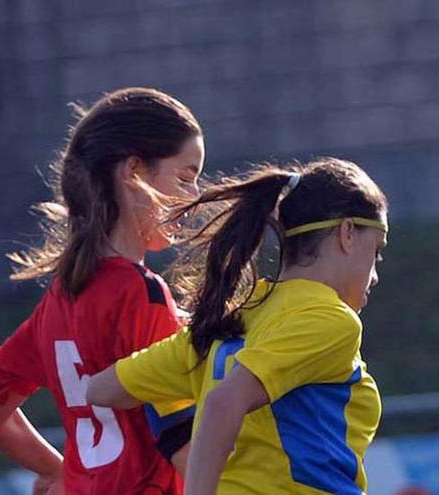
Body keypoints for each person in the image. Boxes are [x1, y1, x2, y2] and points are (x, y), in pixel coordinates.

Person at [86, 158, 388, 494]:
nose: (374, 275)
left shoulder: (229, 321)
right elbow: (223, 403)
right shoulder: (331, 320)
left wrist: (176, 417)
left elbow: (103, 390)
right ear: (347, 233)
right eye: (375, 252)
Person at [0, 87, 204, 495]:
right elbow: (181, 443)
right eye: (185, 177)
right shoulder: (142, 294)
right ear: (134, 173)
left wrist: (62, 473)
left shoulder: (58, 299)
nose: (194, 197)